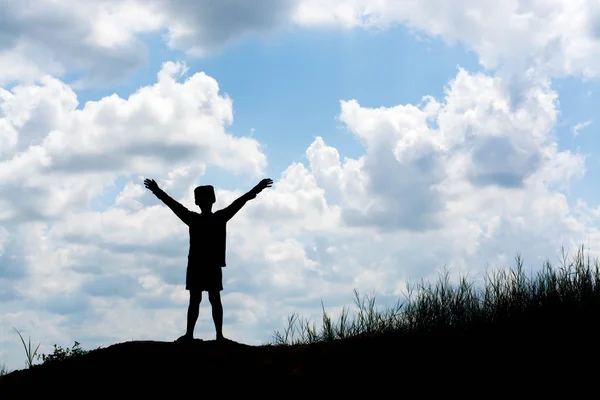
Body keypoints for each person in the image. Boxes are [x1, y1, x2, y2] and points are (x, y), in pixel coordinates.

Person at [144, 177, 273, 342]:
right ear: (212, 200)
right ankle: (211, 335)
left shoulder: (198, 219)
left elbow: (173, 204)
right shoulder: (215, 218)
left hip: (201, 265)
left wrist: (157, 191)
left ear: (197, 201)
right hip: (206, 265)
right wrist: (257, 188)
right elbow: (241, 201)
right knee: (210, 299)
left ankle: (201, 335)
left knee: (201, 300)